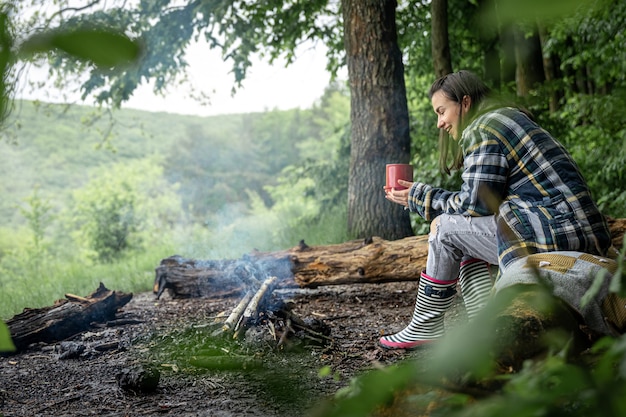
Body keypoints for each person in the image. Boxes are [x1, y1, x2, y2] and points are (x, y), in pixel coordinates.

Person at [380, 70, 612, 349]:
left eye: (442, 111)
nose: (440, 122)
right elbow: (483, 207)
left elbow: (473, 204)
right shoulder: (507, 118)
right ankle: (485, 325)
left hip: (557, 232)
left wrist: (420, 196)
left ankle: (425, 326)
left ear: (465, 103)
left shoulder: (482, 127)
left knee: (443, 227)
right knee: (462, 233)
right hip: (572, 230)